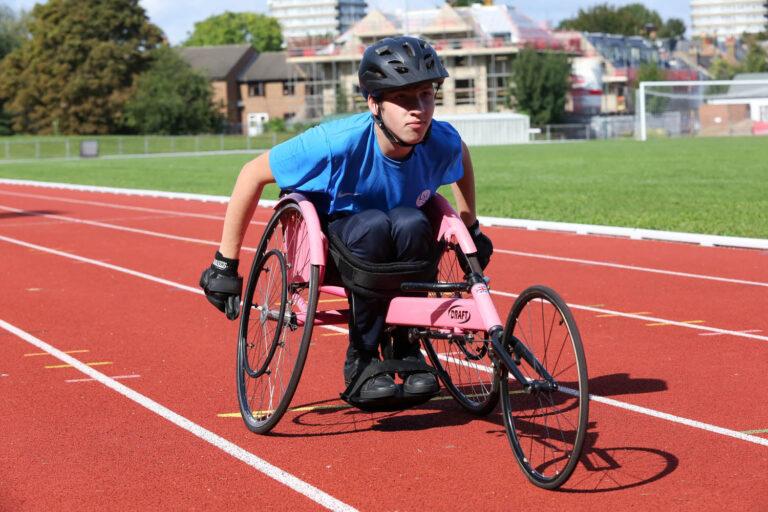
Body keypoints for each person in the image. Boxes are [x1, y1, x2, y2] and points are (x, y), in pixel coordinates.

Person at [200, 36, 492, 404]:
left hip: (404, 245)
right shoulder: (332, 143)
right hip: (337, 246)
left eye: (426, 95)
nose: (418, 110)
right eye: (402, 99)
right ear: (374, 103)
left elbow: (460, 156)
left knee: (412, 221)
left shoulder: (440, 140)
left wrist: (470, 225)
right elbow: (251, 173)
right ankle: (363, 359)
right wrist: (225, 264)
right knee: (372, 225)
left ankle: (406, 349)